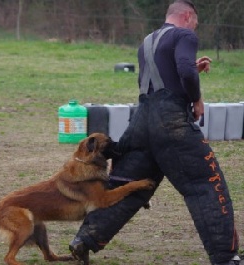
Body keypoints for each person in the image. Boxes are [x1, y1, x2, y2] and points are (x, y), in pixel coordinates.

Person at [69, 1, 242, 265]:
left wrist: (191, 70)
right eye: (196, 22)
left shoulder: (148, 41)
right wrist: (196, 98)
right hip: (171, 122)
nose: (196, 28)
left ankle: (85, 239)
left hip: (141, 121)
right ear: (187, 16)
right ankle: (226, 257)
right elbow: (182, 72)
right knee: (204, 185)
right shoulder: (184, 34)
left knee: (126, 186)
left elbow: (163, 79)